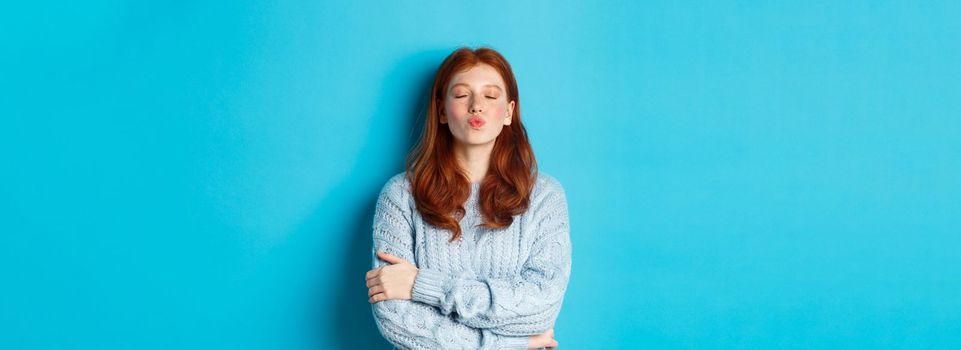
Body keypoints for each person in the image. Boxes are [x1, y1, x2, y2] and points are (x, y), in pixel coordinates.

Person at [365, 47, 572, 350]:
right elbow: (395, 317)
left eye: (490, 96)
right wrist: (510, 345)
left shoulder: (545, 198)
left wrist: (421, 285)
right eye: (462, 95)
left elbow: (540, 309)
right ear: (441, 111)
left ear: (509, 112)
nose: (477, 106)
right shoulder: (400, 196)